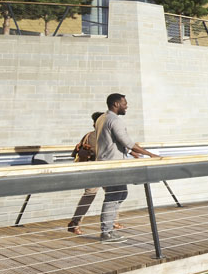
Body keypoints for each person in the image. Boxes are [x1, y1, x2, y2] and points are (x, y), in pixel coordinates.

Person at [94, 92, 160, 243]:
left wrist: (130, 152)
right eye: (124, 103)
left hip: (106, 163)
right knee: (113, 197)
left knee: (121, 193)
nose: (127, 106)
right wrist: (150, 154)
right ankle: (106, 232)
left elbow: (112, 141)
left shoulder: (101, 118)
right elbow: (127, 141)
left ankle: (108, 229)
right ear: (116, 104)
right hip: (113, 166)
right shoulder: (115, 120)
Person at [66, 111, 119, 235]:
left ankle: (112, 221)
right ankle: (75, 223)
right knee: (104, 194)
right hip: (97, 172)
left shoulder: (92, 135)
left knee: (113, 194)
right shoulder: (97, 136)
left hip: (99, 170)